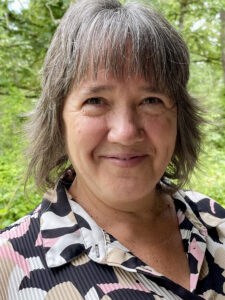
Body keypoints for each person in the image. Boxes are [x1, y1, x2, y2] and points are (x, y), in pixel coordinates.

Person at [0, 0, 224, 299]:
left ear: (178, 117)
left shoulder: (216, 224)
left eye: (151, 100)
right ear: (58, 119)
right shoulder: (8, 270)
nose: (126, 132)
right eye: (95, 101)